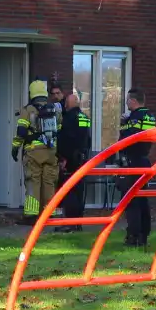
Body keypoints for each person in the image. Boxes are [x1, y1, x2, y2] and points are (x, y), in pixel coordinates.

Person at [13, 78, 60, 225]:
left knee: (33, 182)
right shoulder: (54, 110)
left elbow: (21, 131)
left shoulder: (28, 110)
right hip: (51, 153)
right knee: (49, 183)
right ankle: (49, 214)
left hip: (33, 153)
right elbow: (59, 130)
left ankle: (31, 216)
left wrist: (15, 148)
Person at [118, 88, 156, 247]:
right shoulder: (150, 116)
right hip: (144, 161)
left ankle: (133, 235)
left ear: (133, 101)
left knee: (131, 200)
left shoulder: (134, 117)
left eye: (128, 100)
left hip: (132, 162)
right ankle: (144, 234)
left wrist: (124, 123)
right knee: (142, 199)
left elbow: (126, 139)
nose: (126, 103)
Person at [56, 89, 91, 233]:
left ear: (68, 105)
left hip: (70, 159)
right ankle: (78, 223)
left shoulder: (68, 118)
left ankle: (70, 223)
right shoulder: (84, 117)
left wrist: (62, 158)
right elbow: (87, 139)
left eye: (65, 103)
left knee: (69, 191)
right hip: (82, 159)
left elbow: (65, 140)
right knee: (79, 191)